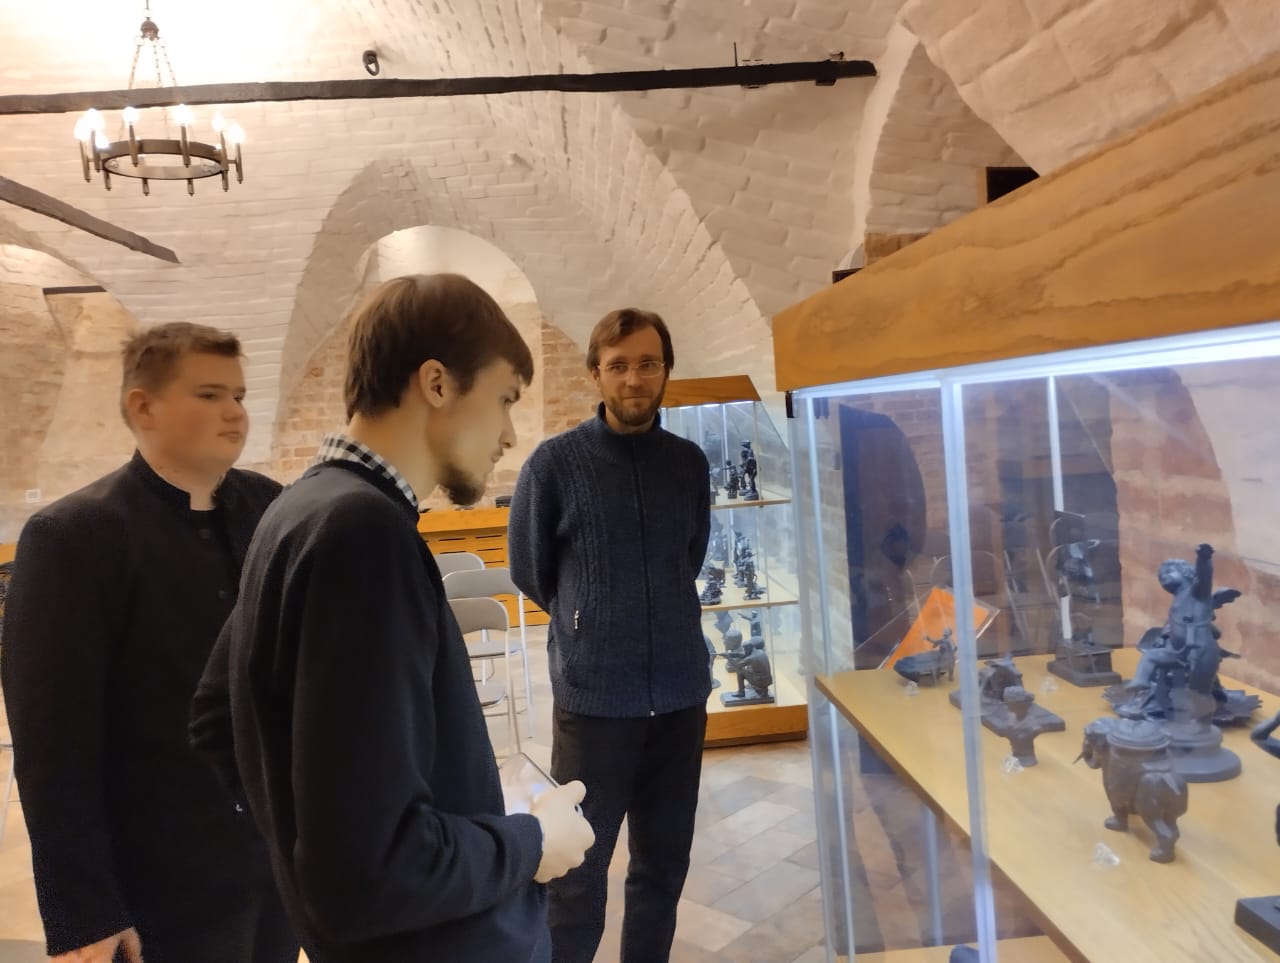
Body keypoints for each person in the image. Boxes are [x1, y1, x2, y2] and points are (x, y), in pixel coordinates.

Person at [189, 273, 595, 963]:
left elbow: (215, 719)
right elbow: (371, 867)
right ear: (436, 383)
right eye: (504, 399)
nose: (508, 433)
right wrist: (532, 843)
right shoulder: (361, 533)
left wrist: (308, 858)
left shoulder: (296, 509)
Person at [1, 323, 296, 963]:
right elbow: (51, 744)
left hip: (270, 861)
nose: (234, 413)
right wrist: (84, 913)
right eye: (210, 395)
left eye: (239, 395)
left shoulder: (272, 509)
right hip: (155, 879)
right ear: (144, 407)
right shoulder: (73, 536)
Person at [509, 307, 712, 962]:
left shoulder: (688, 463)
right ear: (595, 373)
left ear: (666, 370)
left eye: (648, 363)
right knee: (576, 872)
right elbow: (530, 569)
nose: (633, 379)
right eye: (618, 365)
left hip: (679, 697)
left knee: (663, 865)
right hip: (595, 702)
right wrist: (589, 621)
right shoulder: (554, 465)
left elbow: (690, 556)